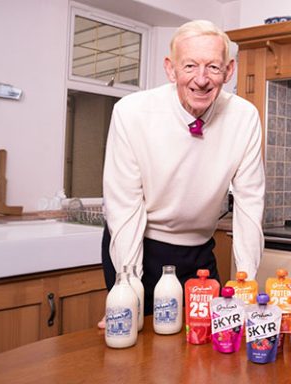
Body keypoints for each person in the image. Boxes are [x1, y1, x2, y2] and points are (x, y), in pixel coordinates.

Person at [99, 20, 265, 326]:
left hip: (200, 253)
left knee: (206, 348)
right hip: (140, 247)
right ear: (170, 69)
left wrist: (246, 282)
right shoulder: (131, 112)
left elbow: (249, 203)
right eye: (189, 66)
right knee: (140, 346)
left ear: (229, 71)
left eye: (213, 68)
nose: (201, 80)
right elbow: (124, 208)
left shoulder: (245, 117)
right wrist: (128, 288)